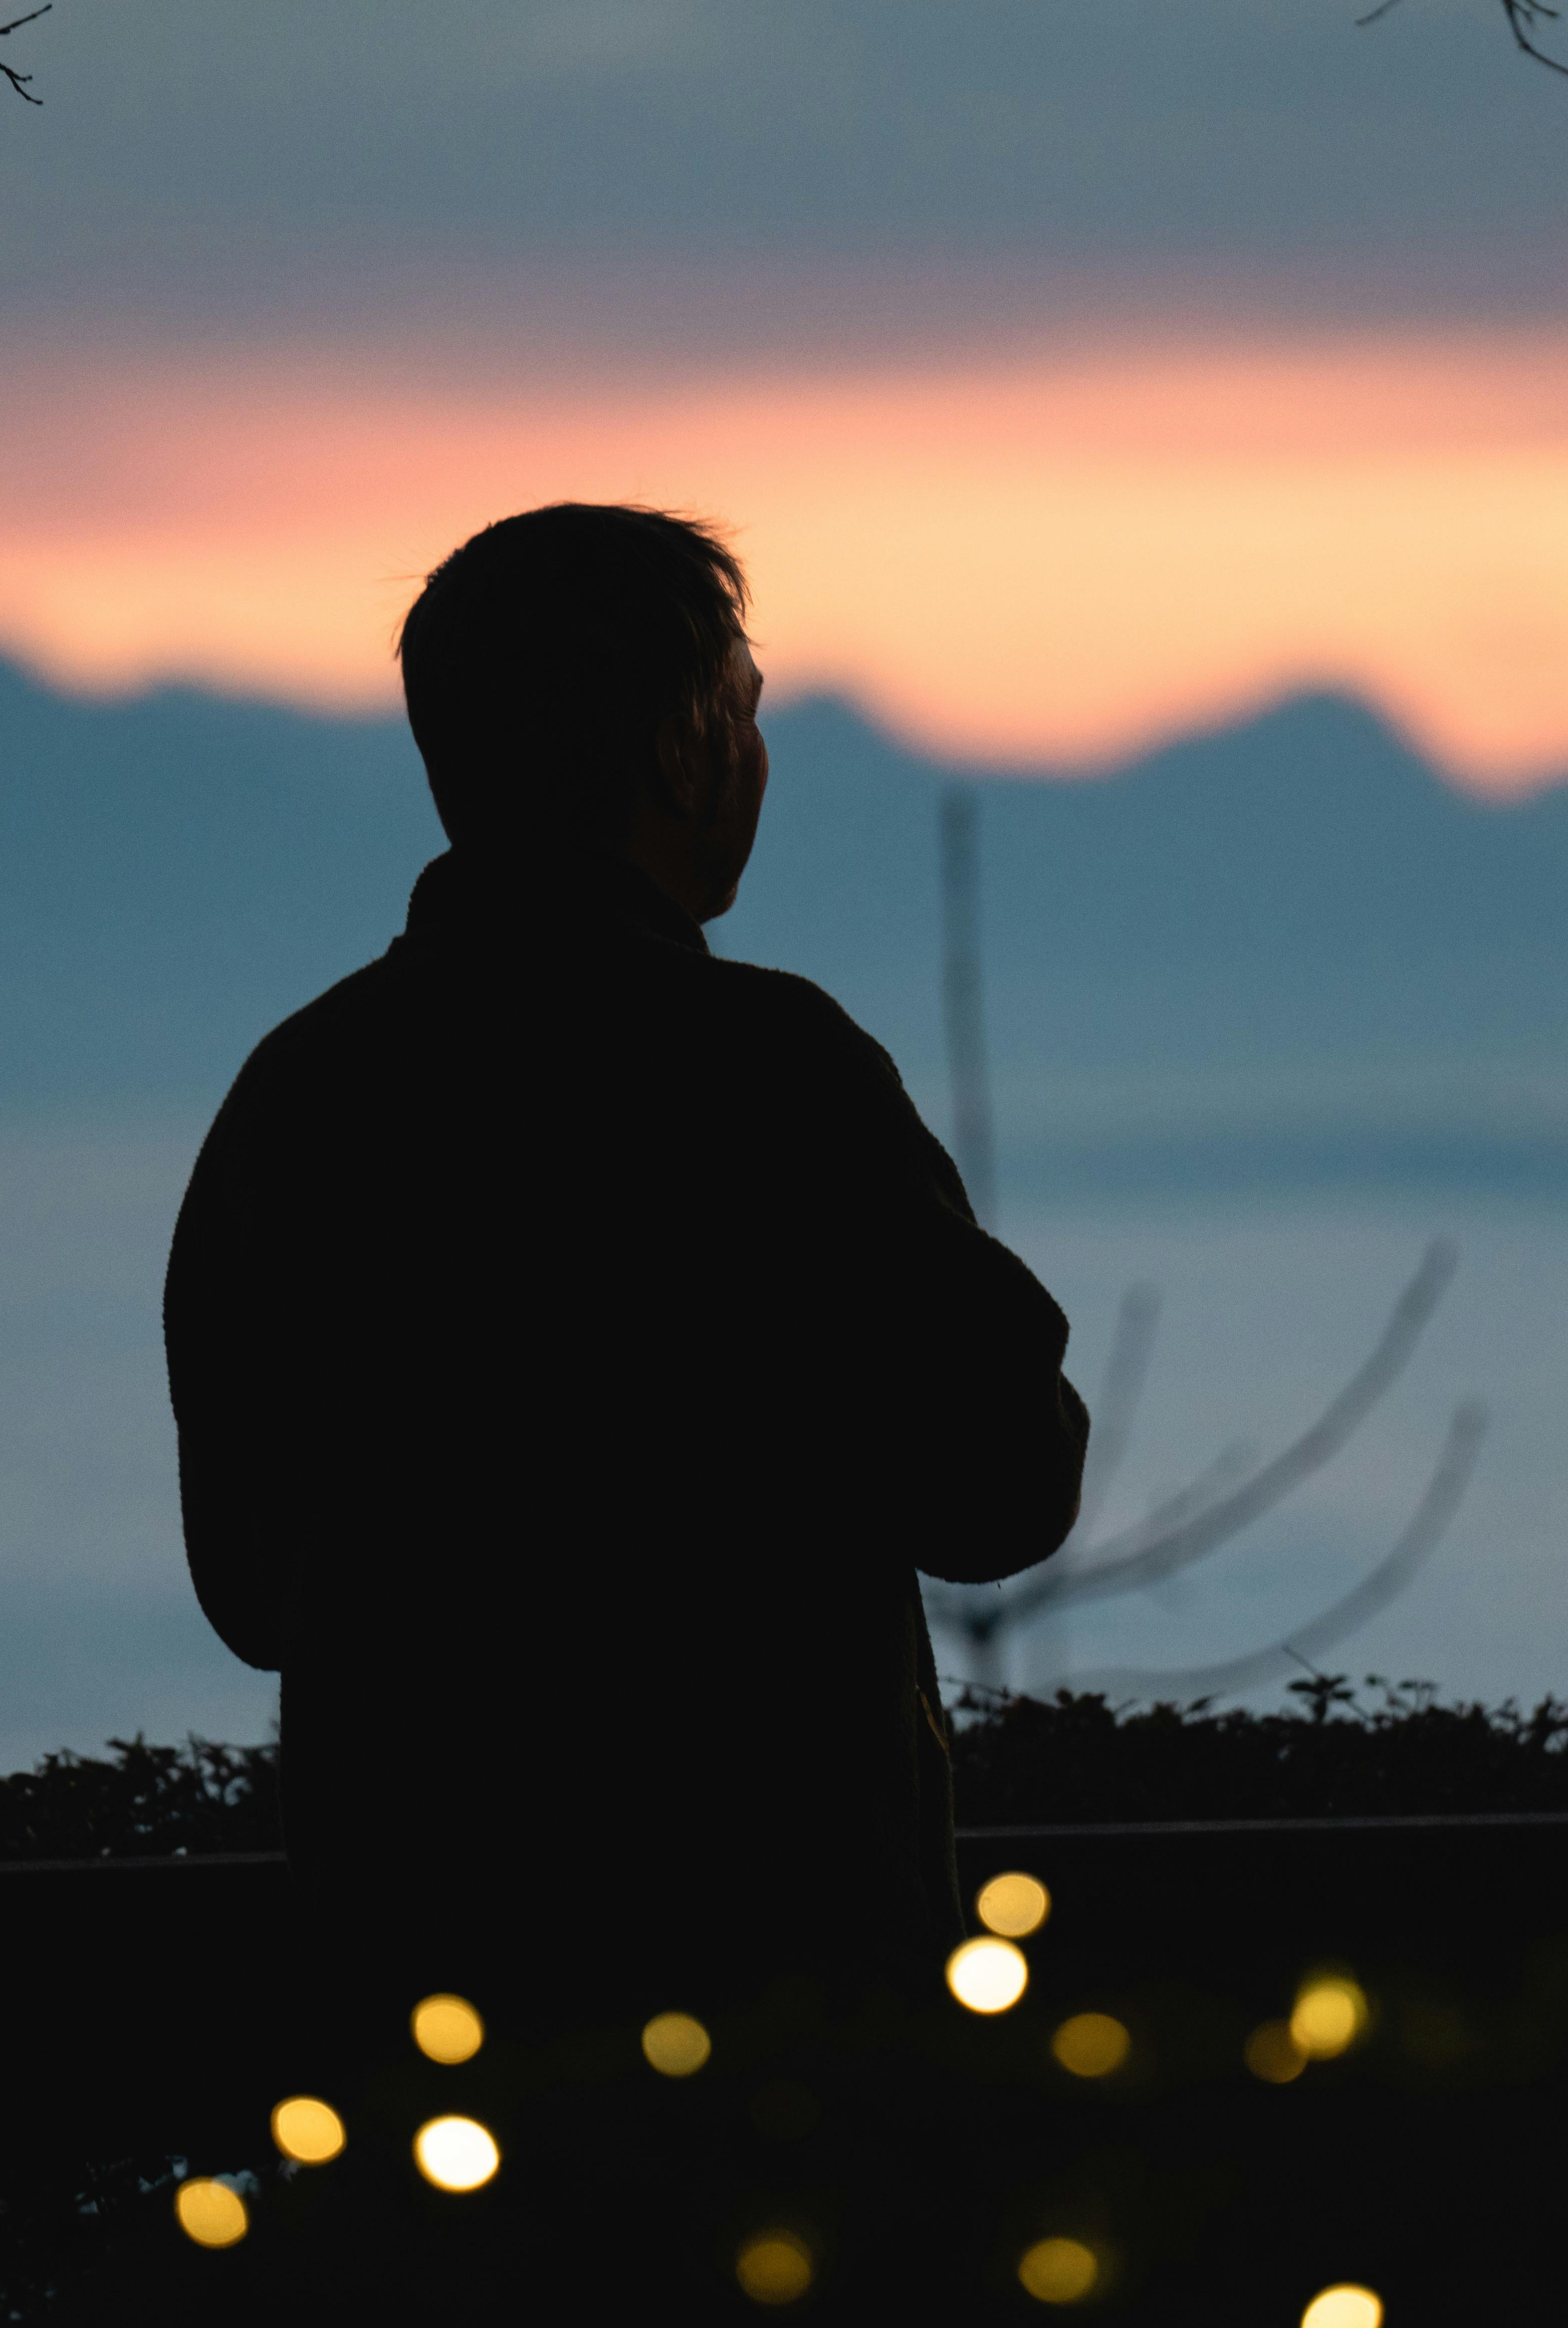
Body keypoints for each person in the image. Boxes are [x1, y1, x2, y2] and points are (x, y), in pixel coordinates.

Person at [164, 504, 1090, 2029]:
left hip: (422, 1989)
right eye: (743, 712)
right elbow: (1001, 1485)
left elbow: (257, 1590)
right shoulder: (770, 1074)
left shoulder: (305, 1094)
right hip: (778, 1983)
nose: (754, 759)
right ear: (679, 750)